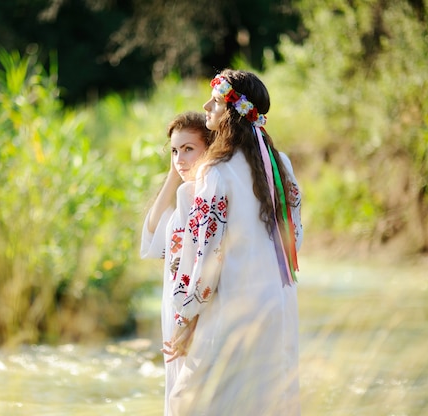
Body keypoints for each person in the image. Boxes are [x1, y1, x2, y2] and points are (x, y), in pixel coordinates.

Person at [162, 69, 304, 415]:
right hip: (278, 305)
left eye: (216, 100)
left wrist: (185, 315)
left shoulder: (216, 171)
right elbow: (294, 237)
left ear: (233, 110)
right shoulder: (280, 163)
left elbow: (205, 254)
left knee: (197, 403)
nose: (206, 105)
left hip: (232, 309)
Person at [140, 111, 214, 416]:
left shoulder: (209, 198)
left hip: (197, 319)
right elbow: (153, 234)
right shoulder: (184, 196)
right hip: (174, 317)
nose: (179, 158)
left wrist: (191, 324)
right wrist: (175, 173)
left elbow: (209, 267)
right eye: (174, 150)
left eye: (188, 149)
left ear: (209, 149)